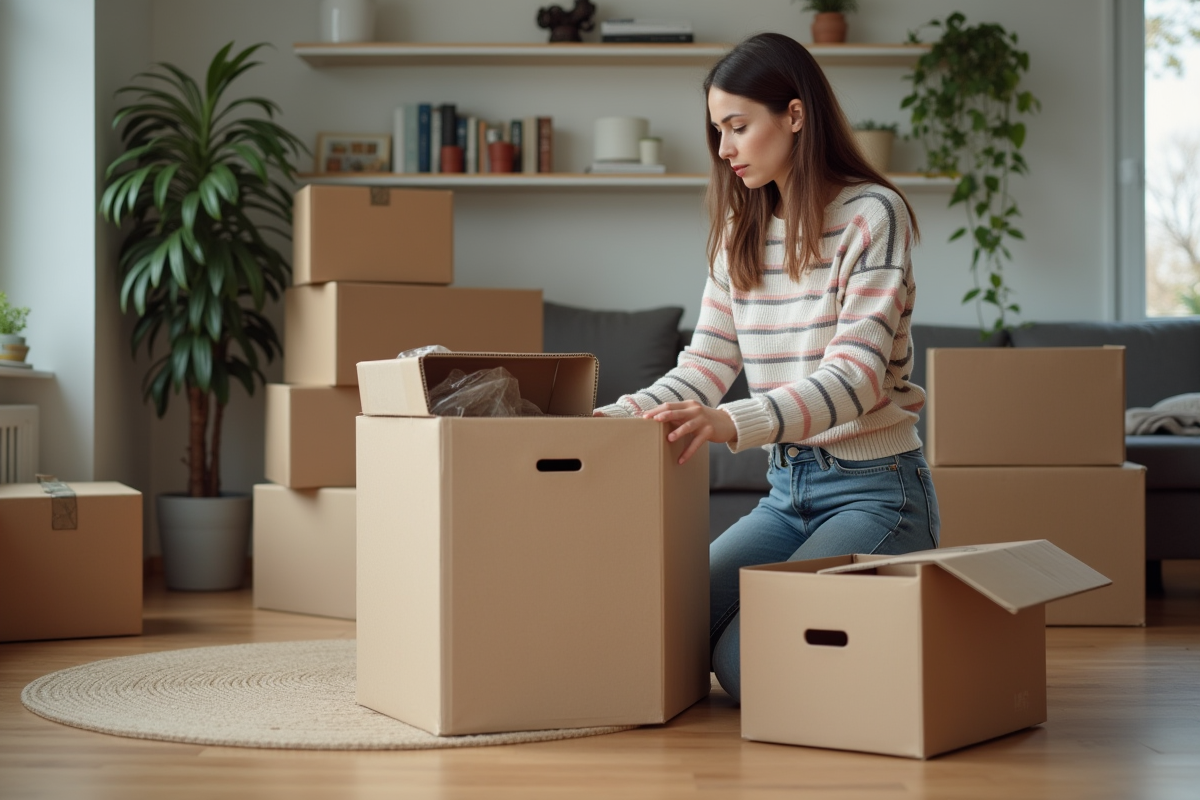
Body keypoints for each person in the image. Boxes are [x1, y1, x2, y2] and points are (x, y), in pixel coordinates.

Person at [592, 32, 940, 702]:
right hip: (788, 494)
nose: (724, 150)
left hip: (876, 493)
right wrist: (601, 421)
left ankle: (915, 653)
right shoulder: (739, 233)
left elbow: (856, 377)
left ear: (796, 115)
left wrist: (728, 422)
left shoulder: (872, 214)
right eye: (717, 131)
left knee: (751, 660)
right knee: (668, 624)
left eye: (738, 127)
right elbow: (702, 366)